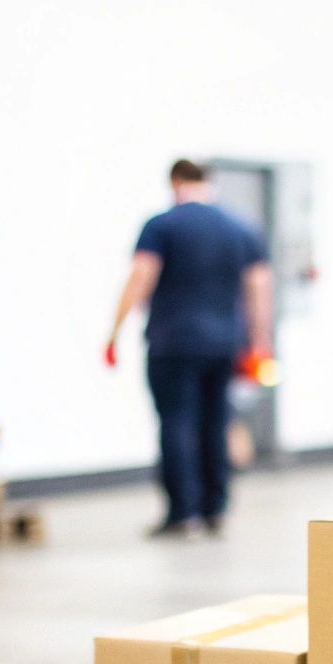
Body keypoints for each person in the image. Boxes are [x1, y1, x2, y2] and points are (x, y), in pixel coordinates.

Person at [107, 159, 272, 537]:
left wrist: (114, 332)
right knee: (216, 422)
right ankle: (215, 508)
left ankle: (182, 513)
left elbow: (140, 277)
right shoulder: (241, 228)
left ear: (175, 181)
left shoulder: (162, 225)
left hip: (173, 343)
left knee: (177, 422)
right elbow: (259, 287)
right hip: (224, 344)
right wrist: (259, 341)